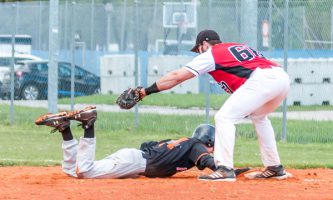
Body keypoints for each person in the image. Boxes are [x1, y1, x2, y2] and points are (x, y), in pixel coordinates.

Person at [136, 30, 290, 181]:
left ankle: (225, 169)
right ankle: (274, 167)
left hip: (263, 79)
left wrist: (145, 91)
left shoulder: (211, 54)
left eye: (198, 49)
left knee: (224, 117)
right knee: (260, 117)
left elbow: (177, 76)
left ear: (204, 44)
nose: (198, 53)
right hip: (280, 77)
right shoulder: (233, 47)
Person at [35, 106, 249, 179]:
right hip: (134, 163)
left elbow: (147, 143)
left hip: (132, 159)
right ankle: (89, 123)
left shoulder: (183, 142)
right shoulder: (196, 146)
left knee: (71, 171)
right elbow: (210, 163)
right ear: (209, 141)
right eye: (213, 145)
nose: (213, 149)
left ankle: (64, 129)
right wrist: (228, 170)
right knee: (84, 171)